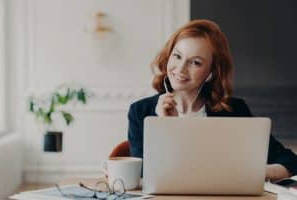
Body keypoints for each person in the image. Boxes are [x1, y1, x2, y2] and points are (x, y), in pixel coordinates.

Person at [127, 19, 297, 181]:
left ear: (211, 73)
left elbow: (290, 161)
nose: (180, 69)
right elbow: (142, 174)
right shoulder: (140, 111)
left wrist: (257, 171)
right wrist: (167, 128)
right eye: (177, 56)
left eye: (195, 62)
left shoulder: (234, 110)